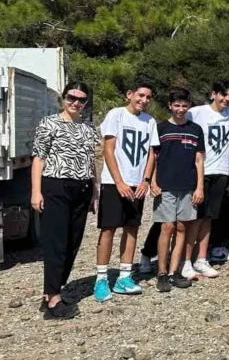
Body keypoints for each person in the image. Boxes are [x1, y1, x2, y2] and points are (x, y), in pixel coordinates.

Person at [31, 81, 99, 319]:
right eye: (72, 97)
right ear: (63, 97)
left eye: (81, 99)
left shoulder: (89, 128)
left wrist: (95, 192)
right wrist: (36, 192)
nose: (76, 103)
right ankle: (53, 301)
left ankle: (51, 291)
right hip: (55, 186)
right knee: (56, 243)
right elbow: (39, 158)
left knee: (73, 243)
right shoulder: (49, 123)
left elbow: (92, 162)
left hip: (82, 189)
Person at [94, 81, 160, 302]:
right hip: (115, 183)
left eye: (148, 97)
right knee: (108, 229)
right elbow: (109, 150)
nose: (144, 100)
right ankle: (102, 278)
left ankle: (124, 275)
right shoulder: (116, 115)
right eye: (140, 95)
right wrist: (119, 181)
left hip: (137, 183)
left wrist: (146, 180)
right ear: (129, 94)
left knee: (132, 228)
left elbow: (152, 153)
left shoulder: (150, 121)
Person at [149, 88, 205, 290]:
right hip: (165, 186)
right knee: (167, 227)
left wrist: (200, 187)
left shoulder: (196, 129)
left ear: (188, 106)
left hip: (188, 186)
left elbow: (199, 160)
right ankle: (162, 272)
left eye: (184, 105)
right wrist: (152, 182)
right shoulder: (160, 128)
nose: (180, 109)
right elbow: (152, 159)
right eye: (177, 105)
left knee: (182, 227)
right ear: (170, 106)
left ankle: (174, 271)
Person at [185, 80, 229, 278]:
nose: (227, 99)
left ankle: (201, 259)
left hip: (222, 171)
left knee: (209, 217)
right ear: (213, 94)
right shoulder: (196, 112)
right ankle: (185, 260)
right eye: (223, 94)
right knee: (193, 217)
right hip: (199, 171)